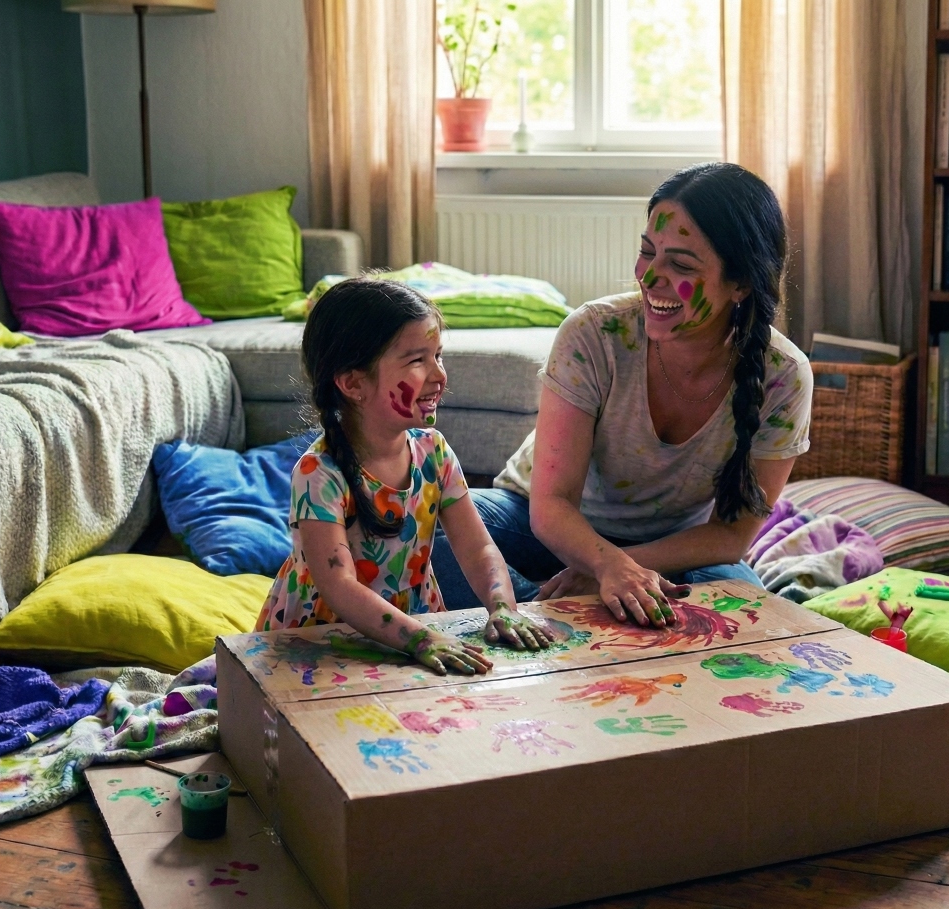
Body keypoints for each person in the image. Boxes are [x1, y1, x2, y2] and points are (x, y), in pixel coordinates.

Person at [432, 162, 812, 627]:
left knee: (748, 617)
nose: (650, 278)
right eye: (647, 252)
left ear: (741, 284)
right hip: (539, 524)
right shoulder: (594, 333)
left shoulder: (784, 374)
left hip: (673, 549)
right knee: (428, 527)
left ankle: (556, 616)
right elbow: (550, 507)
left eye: (681, 264)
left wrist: (623, 568)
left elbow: (730, 536)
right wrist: (605, 566)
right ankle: (549, 617)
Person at [256, 277, 555, 675]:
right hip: (322, 645)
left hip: (415, 634)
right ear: (353, 384)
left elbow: (478, 548)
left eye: (438, 356)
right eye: (417, 360)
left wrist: (503, 607)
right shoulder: (319, 474)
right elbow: (339, 586)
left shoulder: (434, 452)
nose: (439, 375)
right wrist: (421, 639)